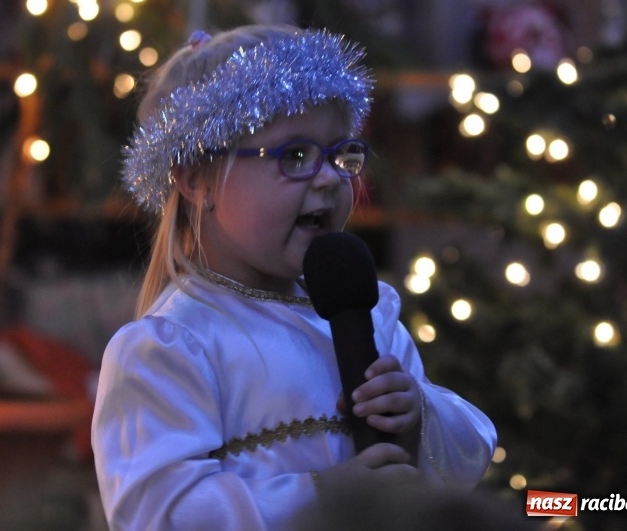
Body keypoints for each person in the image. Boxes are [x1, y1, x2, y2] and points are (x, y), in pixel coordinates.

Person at [92, 24, 497, 530]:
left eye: (341, 154)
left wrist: (419, 417)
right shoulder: (173, 347)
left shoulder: (368, 313)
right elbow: (160, 515)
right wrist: (323, 496)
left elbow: (469, 457)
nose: (331, 177)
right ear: (197, 180)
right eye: (296, 156)